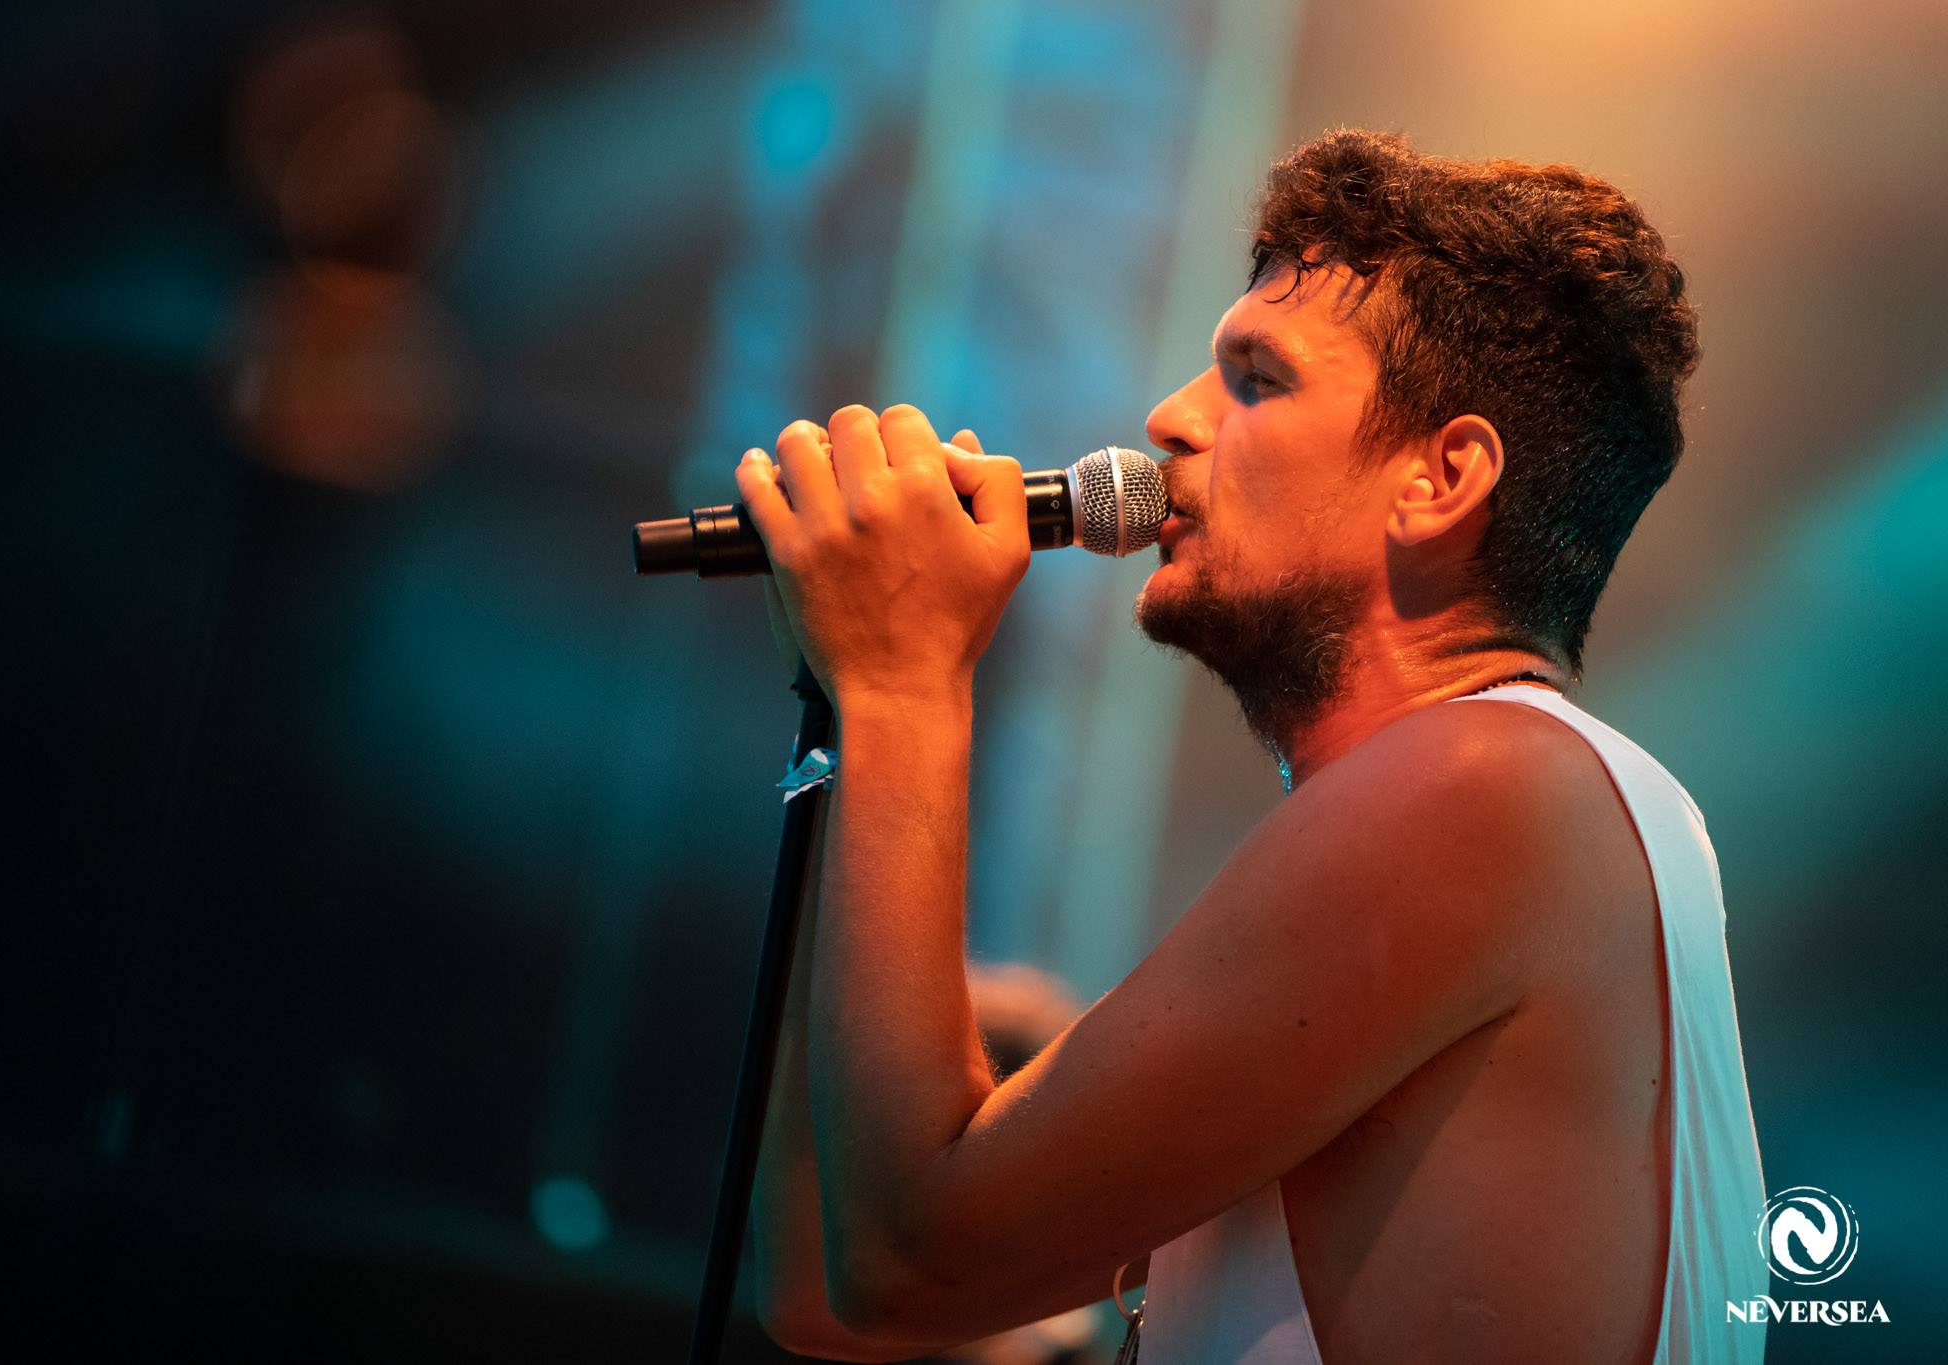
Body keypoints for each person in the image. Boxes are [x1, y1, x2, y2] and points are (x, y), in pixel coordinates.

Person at [743, 129, 1765, 1363]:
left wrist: (903, 681)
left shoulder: (1484, 786)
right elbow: (822, 1295)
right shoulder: (1547, 811)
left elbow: (906, 1266)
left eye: (1255, 379)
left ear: (1439, 478)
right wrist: (856, 694)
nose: (1169, 418)